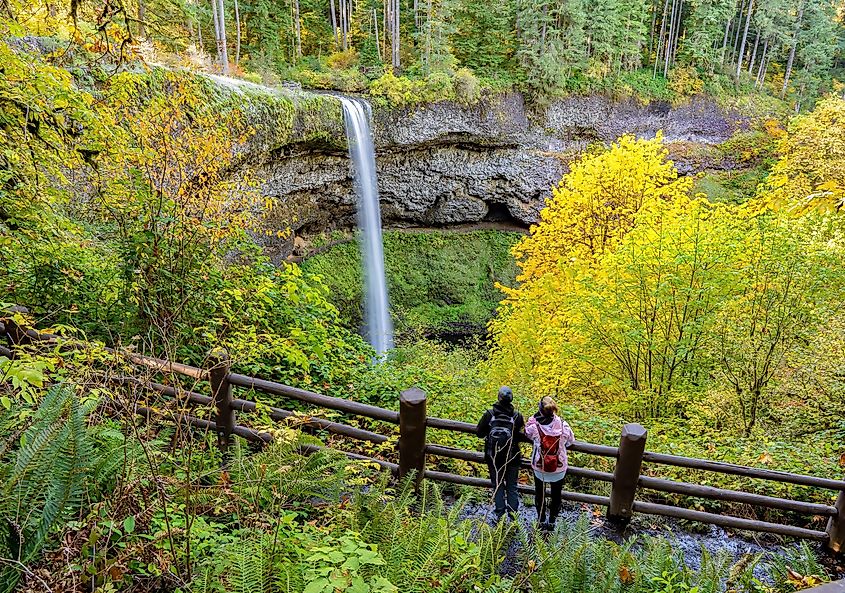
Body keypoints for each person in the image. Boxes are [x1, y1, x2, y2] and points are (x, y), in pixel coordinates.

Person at [525, 396, 575, 530]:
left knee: (539, 494)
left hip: (539, 466)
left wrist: (533, 418)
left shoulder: (534, 426)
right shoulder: (564, 425)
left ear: (540, 410)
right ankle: (552, 521)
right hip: (558, 467)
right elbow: (570, 441)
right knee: (556, 495)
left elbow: (526, 432)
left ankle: (541, 520)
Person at [477, 386, 526, 520]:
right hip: (512, 456)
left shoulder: (489, 414)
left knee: (497, 485)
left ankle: (500, 515)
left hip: (493, 456)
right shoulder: (517, 416)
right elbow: (519, 434)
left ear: (498, 397)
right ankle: (513, 516)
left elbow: (479, 433)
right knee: (512, 486)